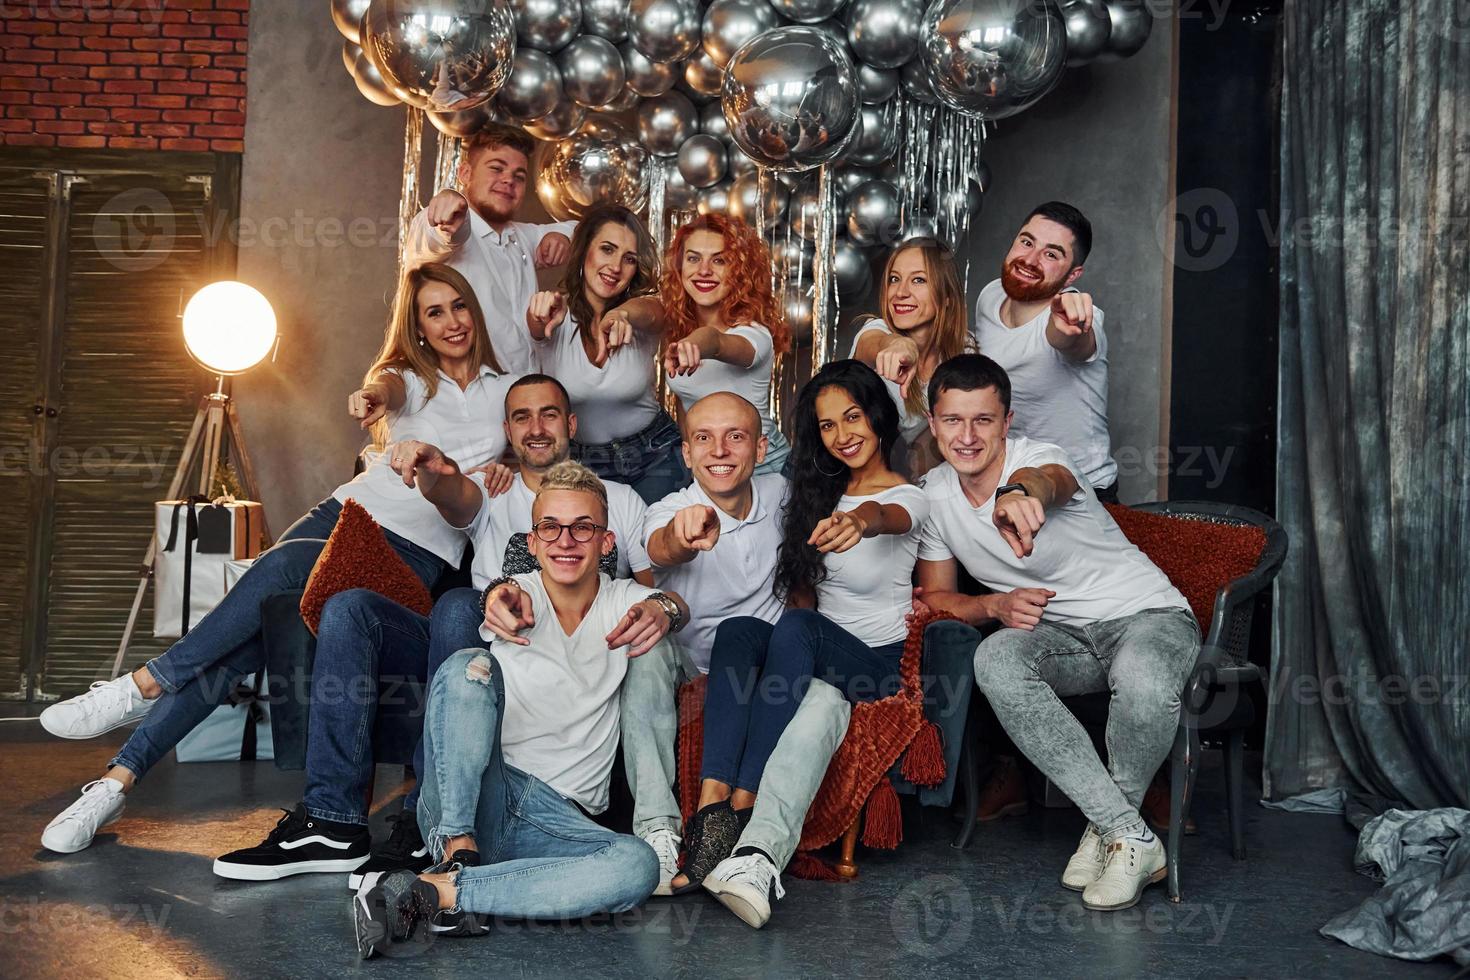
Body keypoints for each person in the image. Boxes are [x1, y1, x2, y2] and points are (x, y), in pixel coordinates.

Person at [39, 264, 517, 856]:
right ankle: (114, 783)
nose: (451, 322)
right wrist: (372, 397)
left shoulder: (506, 388)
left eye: (458, 307)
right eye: (433, 313)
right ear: (417, 328)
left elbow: (535, 441)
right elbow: (383, 390)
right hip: (339, 514)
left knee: (284, 567)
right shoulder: (407, 377)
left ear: (475, 309)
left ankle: (145, 683)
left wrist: (510, 468)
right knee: (247, 641)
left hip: (410, 550)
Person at [317, 374, 656, 887]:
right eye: (522, 417)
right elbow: (450, 492)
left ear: (572, 424)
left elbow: (660, 589)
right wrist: (430, 470)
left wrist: (664, 611)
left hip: (551, 670)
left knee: (456, 612)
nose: (536, 428)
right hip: (476, 650)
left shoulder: (619, 502)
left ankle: (447, 877)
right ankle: (340, 821)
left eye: (548, 415)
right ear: (507, 430)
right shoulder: (492, 490)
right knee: (379, 609)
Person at [352, 462, 685, 957]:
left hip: (557, 823)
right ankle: (457, 851)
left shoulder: (624, 602)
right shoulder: (515, 599)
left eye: (583, 528)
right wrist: (493, 594)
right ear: (532, 542)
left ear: (606, 542)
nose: (566, 541)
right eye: (550, 527)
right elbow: (498, 597)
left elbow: (672, 600)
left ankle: (439, 893)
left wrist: (666, 608)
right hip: (481, 792)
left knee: (637, 865)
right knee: (470, 665)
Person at [914, 354, 1199, 912]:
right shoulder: (932, 497)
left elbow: (1049, 482)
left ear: (1008, 421)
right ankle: (1130, 833)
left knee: (1142, 676)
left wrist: (1018, 495)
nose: (967, 436)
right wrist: (994, 603)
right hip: (1064, 638)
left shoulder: (1041, 459)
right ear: (933, 424)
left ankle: (1112, 834)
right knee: (995, 659)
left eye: (983, 421)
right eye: (953, 420)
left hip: (1148, 616)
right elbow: (936, 598)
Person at [672, 361, 929, 925]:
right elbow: (805, 594)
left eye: (854, 417)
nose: (844, 435)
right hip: (815, 652)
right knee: (740, 630)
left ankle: (745, 802)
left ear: (878, 416)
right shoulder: (813, 493)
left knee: (796, 626)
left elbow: (888, 515)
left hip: (873, 665)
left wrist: (861, 520)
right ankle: (713, 804)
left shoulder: (910, 496)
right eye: (829, 425)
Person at [616, 392, 853, 913]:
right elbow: (661, 546)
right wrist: (683, 538)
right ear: (685, 454)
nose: (718, 450)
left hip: (764, 663)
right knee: (643, 652)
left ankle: (756, 853)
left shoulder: (781, 493)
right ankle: (659, 833)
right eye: (703, 438)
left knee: (830, 700)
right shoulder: (669, 510)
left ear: (761, 447)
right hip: (690, 661)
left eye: (735, 436)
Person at [527, 204, 686, 503]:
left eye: (629, 259)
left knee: (659, 548)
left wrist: (622, 315)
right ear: (584, 250)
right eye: (607, 250)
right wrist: (538, 312)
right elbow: (536, 323)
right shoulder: (554, 314)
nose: (615, 267)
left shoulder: (643, 313)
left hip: (655, 456)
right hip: (580, 465)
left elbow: (655, 310)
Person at [972, 201, 1119, 502]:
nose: (1030, 259)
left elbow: (1071, 340)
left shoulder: (1075, 317)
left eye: (1051, 254)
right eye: (1027, 242)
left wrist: (1071, 327)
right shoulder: (990, 296)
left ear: (1072, 275)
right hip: (1009, 485)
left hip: (1082, 492)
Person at [406, 123, 575, 374]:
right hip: (469, 399)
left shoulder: (521, 235)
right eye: (496, 168)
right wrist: (450, 203)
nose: (508, 180)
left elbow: (587, 229)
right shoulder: (436, 223)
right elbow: (444, 233)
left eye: (519, 176)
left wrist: (561, 236)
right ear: (465, 174)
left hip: (526, 399)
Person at [659, 212, 791, 475]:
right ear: (680, 266)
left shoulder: (755, 334)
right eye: (693, 258)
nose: (704, 270)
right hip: (713, 467)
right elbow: (688, 404)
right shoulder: (680, 327)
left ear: (739, 272)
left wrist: (695, 344)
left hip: (765, 467)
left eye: (719, 260)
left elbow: (717, 342)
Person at [850, 236, 971, 475]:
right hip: (832, 477)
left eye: (918, 280)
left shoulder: (964, 350)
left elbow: (925, 457)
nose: (900, 292)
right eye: (894, 279)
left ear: (947, 296)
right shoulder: (876, 331)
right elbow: (873, 344)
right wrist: (896, 344)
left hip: (897, 480)